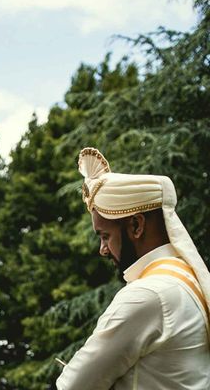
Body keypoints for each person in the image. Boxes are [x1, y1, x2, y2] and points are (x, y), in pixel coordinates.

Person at [56, 147, 210, 389]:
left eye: (105, 236)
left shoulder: (149, 294)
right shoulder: (187, 283)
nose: (103, 250)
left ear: (136, 226)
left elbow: (73, 386)